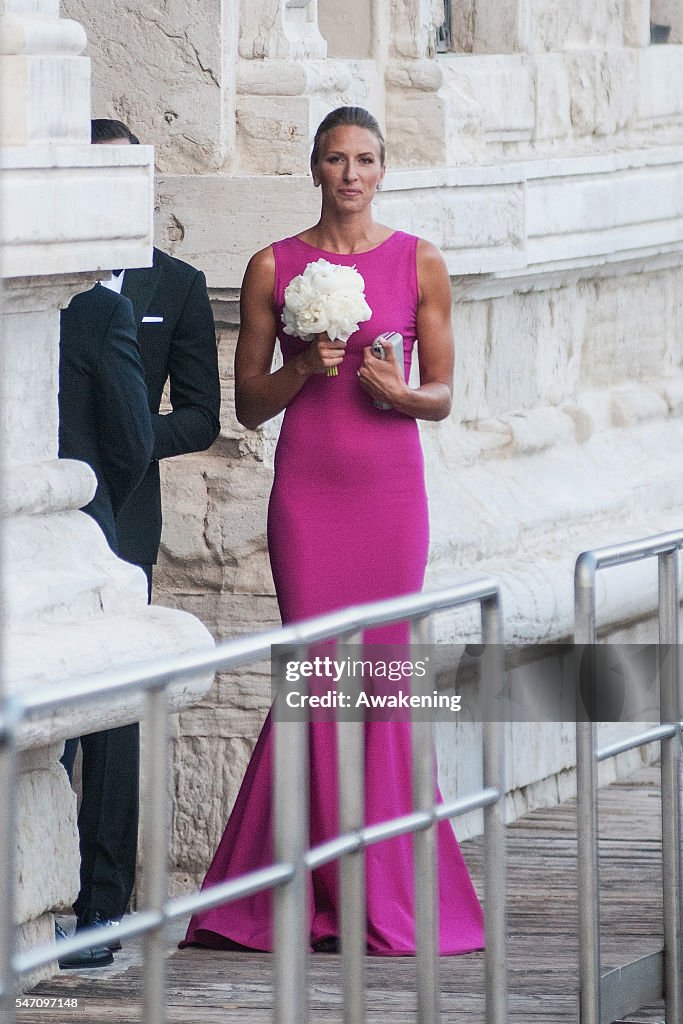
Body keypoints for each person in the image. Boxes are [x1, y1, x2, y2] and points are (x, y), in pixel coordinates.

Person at [181, 106, 484, 955]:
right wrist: (301, 369)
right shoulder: (272, 264)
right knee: (316, 676)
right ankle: (286, 895)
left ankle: (383, 890)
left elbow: (445, 394)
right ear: (313, 168)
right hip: (309, 495)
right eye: (335, 160)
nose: (351, 174)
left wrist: (399, 394)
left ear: (383, 170)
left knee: (382, 679)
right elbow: (244, 405)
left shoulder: (419, 259)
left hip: (390, 497)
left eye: (365, 160)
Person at [60, 118, 221, 957]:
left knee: (114, 727)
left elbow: (199, 415)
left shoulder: (178, 285)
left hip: (127, 523)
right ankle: (43, 895)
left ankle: (102, 906)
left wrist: (122, 435)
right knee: (48, 709)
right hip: (53, 518)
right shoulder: (49, 282)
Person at [57, 284, 154, 967]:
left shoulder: (104, 308)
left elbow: (133, 444)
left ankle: (97, 902)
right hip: (79, 531)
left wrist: (99, 524)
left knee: (106, 720)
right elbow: (128, 441)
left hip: (96, 535)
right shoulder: (92, 309)